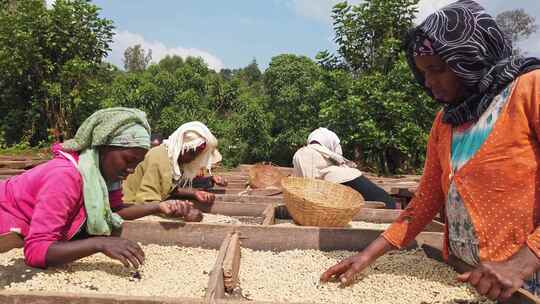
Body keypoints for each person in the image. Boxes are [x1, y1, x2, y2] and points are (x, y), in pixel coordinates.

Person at [321, 1, 540, 301]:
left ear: (470, 58)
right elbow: (425, 200)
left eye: (437, 69)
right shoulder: (446, 120)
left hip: (527, 282)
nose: (428, 82)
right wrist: (367, 256)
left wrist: (520, 265)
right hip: (471, 279)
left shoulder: (530, 90)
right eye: (423, 72)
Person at [0, 107, 201, 269]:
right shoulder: (65, 176)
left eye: (137, 163)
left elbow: (115, 209)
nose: (131, 169)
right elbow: (36, 251)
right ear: (104, 147)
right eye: (128, 160)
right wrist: (99, 244)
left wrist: (159, 207)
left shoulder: (104, 176)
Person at [123, 121, 227, 205]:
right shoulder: (159, 157)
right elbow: (146, 199)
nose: (193, 158)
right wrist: (176, 209)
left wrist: (194, 193)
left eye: (196, 155)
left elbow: (167, 189)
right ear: (180, 146)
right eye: (191, 153)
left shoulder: (175, 162)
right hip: (129, 204)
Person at [292, 127, 396, 208]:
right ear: (329, 142)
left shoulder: (299, 154)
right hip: (340, 182)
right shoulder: (323, 156)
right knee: (388, 202)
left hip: (320, 194)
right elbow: (338, 157)